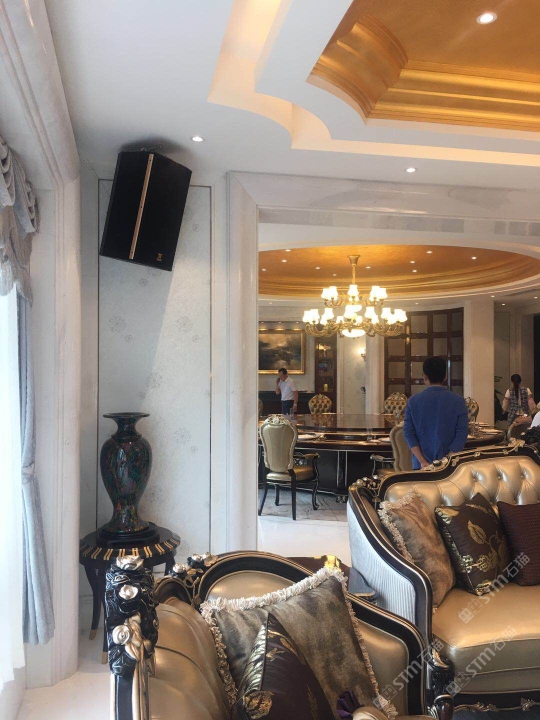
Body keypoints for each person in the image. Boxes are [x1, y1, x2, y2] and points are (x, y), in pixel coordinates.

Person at [403, 356, 468, 469]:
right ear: (445, 376)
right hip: (450, 466)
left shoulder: (413, 401)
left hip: (421, 466)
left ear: (424, 376)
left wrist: (422, 461)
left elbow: (409, 433)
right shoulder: (458, 401)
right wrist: (446, 461)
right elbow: (461, 434)